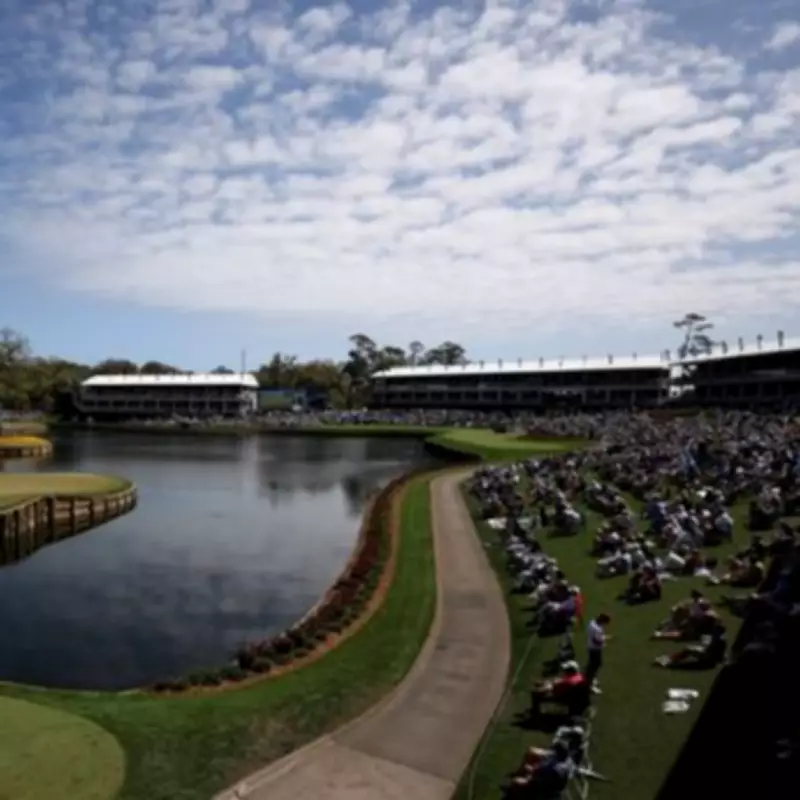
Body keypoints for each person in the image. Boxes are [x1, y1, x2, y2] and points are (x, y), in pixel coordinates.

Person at [585, 613, 611, 694]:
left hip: (590, 647)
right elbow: (596, 641)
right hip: (595, 649)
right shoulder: (598, 629)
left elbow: (594, 637)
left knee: (592, 665)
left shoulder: (591, 623)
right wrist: (603, 643)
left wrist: (604, 637)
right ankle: (590, 685)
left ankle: (591, 679)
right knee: (595, 665)